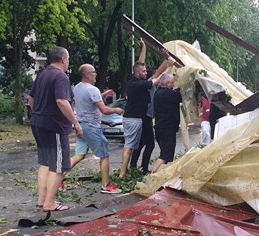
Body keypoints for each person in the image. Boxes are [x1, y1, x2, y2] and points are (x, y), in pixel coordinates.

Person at [28, 47, 82, 212]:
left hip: (38, 122)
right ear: (64, 59)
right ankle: (50, 203)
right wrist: (75, 123)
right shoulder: (60, 77)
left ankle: (42, 199)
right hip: (54, 126)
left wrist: (39, 113)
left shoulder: (42, 74)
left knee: (46, 162)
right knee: (59, 166)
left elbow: (31, 99)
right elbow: (62, 101)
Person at [119, 40, 174, 177]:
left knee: (141, 143)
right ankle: (130, 171)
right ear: (138, 74)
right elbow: (157, 78)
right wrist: (169, 67)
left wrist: (144, 46)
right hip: (140, 118)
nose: (146, 71)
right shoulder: (139, 84)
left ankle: (134, 168)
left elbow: (141, 63)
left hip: (141, 117)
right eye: (144, 71)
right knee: (141, 144)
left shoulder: (139, 79)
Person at [69, 64, 123, 194]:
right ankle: (106, 185)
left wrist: (102, 95)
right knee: (104, 155)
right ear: (87, 75)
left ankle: (58, 178)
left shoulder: (77, 87)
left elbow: (88, 101)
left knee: (79, 155)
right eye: (93, 72)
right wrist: (116, 109)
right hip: (92, 127)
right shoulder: (92, 89)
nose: (96, 74)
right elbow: (104, 109)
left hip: (81, 125)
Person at [151, 72, 183, 173]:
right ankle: (152, 176)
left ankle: (159, 177)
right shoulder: (169, 94)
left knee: (166, 155)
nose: (174, 84)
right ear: (168, 84)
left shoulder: (158, 93)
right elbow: (180, 95)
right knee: (166, 155)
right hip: (167, 129)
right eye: (173, 82)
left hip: (160, 128)